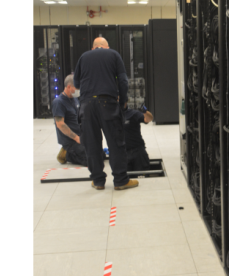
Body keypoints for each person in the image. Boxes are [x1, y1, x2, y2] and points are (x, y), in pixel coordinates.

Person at [74, 36, 137, 190]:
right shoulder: (113, 54)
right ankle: (121, 180)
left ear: (93, 47)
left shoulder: (83, 57)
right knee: (116, 143)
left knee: (92, 144)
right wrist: (123, 101)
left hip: (87, 106)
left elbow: (76, 84)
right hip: (107, 103)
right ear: (104, 46)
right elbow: (123, 80)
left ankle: (98, 181)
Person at [52, 75, 85, 165]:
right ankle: (66, 153)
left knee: (99, 154)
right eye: (77, 88)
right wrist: (76, 138)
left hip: (80, 136)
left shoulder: (75, 100)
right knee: (90, 160)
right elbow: (60, 124)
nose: (79, 90)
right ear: (69, 87)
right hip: (70, 140)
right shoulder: (59, 102)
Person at [120, 104, 154, 172]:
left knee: (143, 176)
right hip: (122, 153)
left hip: (137, 151)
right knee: (125, 179)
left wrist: (145, 112)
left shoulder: (133, 113)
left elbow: (148, 119)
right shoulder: (112, 115)